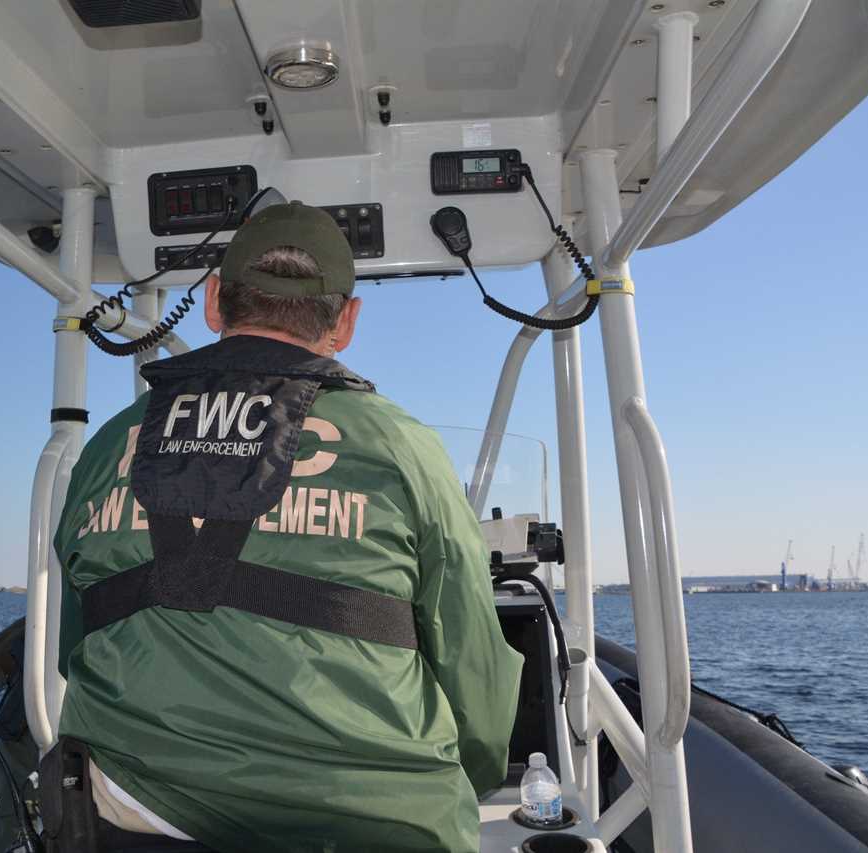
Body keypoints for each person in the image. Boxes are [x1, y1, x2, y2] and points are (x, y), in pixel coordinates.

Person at [50, 201, 524, 853]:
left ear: (214, 301)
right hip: (375, 820)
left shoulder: (105, 448)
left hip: (141, 817)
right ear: (347, 320)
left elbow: (72, 648)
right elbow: (473, 667)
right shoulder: (403, 448)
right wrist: (468, 775)